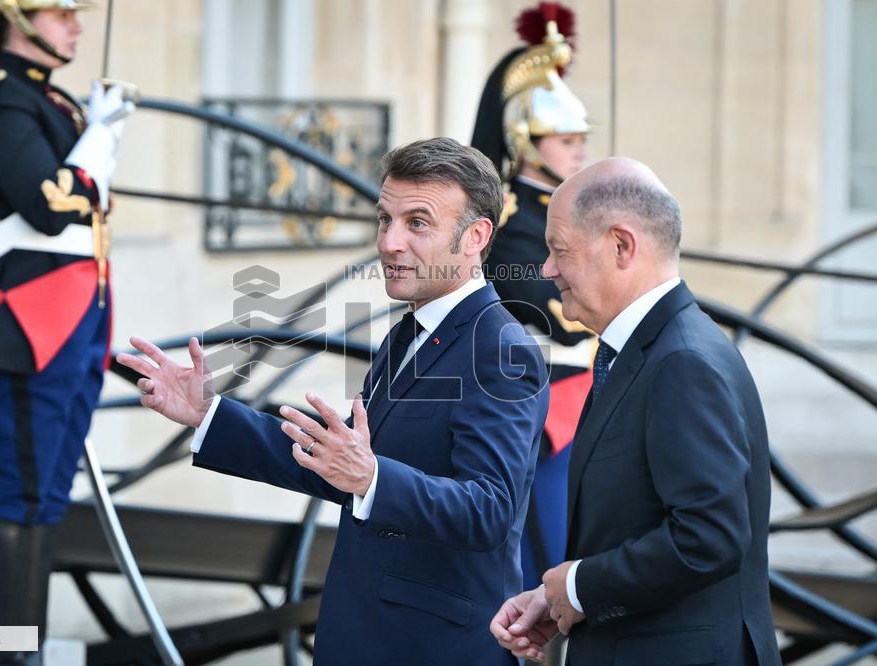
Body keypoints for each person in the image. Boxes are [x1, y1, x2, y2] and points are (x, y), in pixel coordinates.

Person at [120, 137, 549, 664]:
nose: (389, 242)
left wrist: (371, 479)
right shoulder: (411, 331)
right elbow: (333, 459)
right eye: (384, 219)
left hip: (433, 647)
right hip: (367, 633)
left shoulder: (502, 349)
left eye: (417, 223)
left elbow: (489, 510)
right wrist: (207, 414)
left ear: (475, 237)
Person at [489, 157, 781, 665]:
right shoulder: (647, 349)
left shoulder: (682, 361)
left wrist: (579, 588)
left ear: (621, 245)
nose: (546, 270)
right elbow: (634, 522)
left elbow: (709, 537)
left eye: (559, 250)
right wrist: (558, 600)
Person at [0, 0, 133, 661]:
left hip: (70, 314)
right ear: (14, 17)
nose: (76, 25)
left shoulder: (51, 100)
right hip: (18, 318)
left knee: (46, 492)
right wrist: (99, 142)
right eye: (61, 12)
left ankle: (23, 651)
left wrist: (94, 132)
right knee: (17, 491)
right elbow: (50, 206)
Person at [471, 2, 595, 586]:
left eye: (580, 139)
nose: (578, 151)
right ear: (525, 139)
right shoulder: (515, 221)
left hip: (590, 396)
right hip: (543, 404)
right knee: (547, 555)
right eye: (563, 139)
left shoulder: (571, 209)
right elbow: (567, 319)